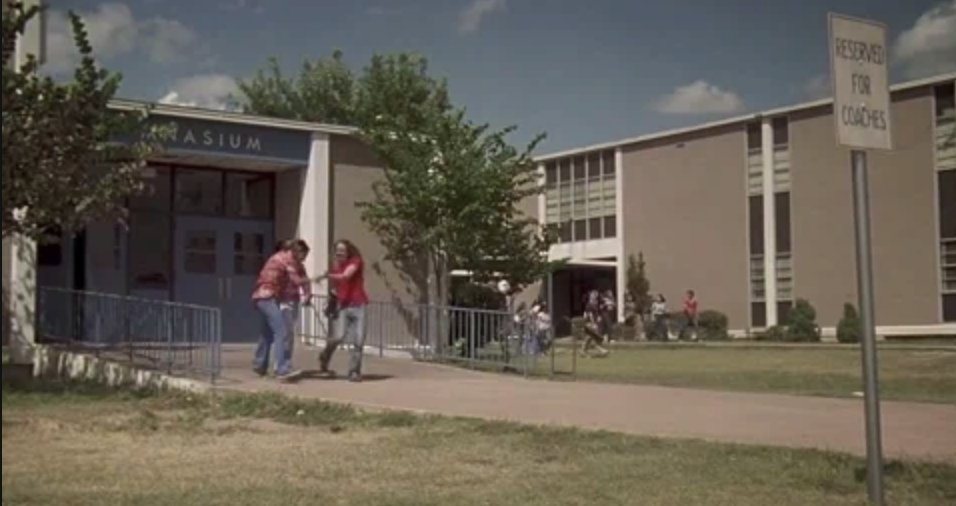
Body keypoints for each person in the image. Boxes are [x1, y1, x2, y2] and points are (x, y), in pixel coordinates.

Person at [251, 239, 311, 381]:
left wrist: (308, 291)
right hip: (267, 297)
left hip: (265, 297)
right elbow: (297, 280)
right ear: (297, 251)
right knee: (282, 331)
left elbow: (300, 276)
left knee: (267, 333)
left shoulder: (281, 258)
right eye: (303, 255)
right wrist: (318, 277)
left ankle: (260, 365)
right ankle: (281, 370)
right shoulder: (286, 260)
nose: (304, 258)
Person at [315, 239, 368, 382]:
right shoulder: (336, 268)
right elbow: (336, 288)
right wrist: (331, 299)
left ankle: (354, 372)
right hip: (342, 306)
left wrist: (326, 276)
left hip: (358, 305)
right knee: (338, 337)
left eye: (342, 250)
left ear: (348, 251)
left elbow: (346, 276)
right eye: (337, 250)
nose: (339, 253)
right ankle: (325, 355)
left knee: (359, 340)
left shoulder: (356, 261)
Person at [581, 290, 609, 357]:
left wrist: (598, 317)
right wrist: (593, 323)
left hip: (593, 323)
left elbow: (596, 313)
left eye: (596, 295)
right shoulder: (589, 305)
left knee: (589, 338)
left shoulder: (594, 304)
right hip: (590, 323)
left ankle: (583, 351)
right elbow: (589, 315)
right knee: (592, 337)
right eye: (594, 295)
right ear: (591, 296)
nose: (595, 297)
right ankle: (601, 350)